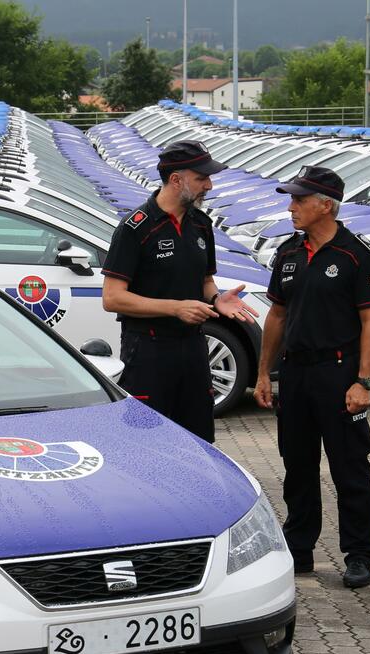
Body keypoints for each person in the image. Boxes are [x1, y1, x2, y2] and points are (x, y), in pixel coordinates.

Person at [253, 165, 370, 589]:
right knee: (298, 466)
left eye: (299, 200)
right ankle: (300, 550)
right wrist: (263, 374)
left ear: (325, 206)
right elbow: (276, 314)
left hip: (339, 372)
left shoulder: (356, 252)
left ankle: (360, 554)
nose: (291, 207)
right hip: (296, 374)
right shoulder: (289, 252)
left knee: (349, 467)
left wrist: (363, 381)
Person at [100, 140, 255, 442]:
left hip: (194, 348)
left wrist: (215, 298)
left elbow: (206, 280)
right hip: (148, 351)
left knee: (198, 440)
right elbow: (112, 297)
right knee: (145, 441)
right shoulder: (136, 227)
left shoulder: (201, 224)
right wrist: (175, 308)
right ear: (176, 180)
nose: (209, 185)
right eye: (201, 178)